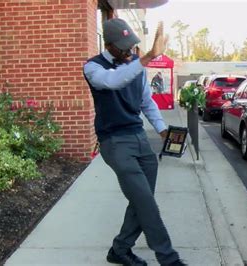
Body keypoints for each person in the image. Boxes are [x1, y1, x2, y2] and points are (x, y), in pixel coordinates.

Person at [83, 18, 186, 266]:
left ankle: (120, 250)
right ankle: (168, 259)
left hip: (139, 139)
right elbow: (113, 81)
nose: (128, 51)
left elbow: (146, 102)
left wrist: (162, 130)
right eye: (122, 47)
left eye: (131, 46)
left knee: (142, 200)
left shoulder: (135, 67)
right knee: (146, 202)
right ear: (108, 45)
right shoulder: (93, 68)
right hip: (115, 142)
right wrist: (149, 57)